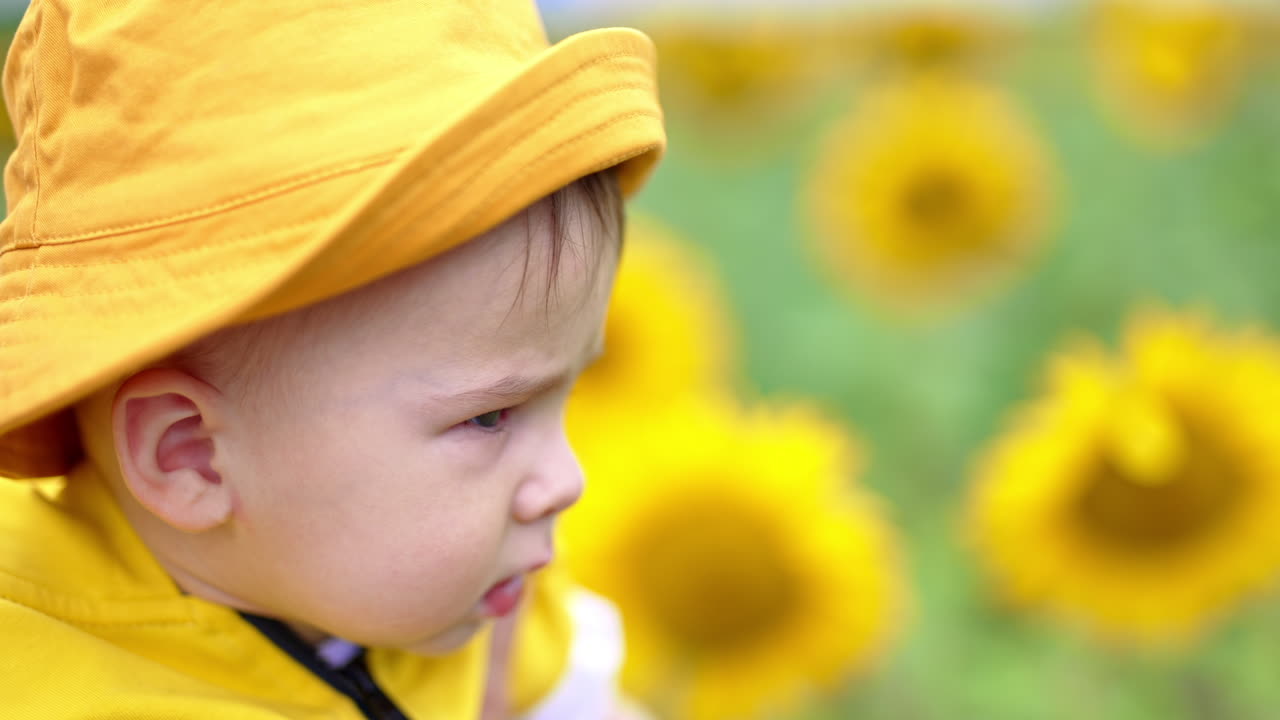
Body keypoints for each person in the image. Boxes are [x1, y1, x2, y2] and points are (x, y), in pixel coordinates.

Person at [0, 1, 664, 718]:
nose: (566, 481)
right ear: (191, 454)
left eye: (563, 397)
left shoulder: (471, 600)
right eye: (491, 417)